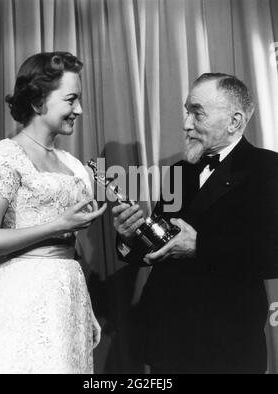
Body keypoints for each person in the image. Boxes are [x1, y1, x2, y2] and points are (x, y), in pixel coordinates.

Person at [112, 73, 278, 374]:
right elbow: (160, 246)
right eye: (187, 111)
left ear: (234, 122)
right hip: (169, 340)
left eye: (197, 113)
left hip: (228, 345)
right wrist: (129, 237)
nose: (186, 124)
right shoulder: (180, 171)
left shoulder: (269, 169)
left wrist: (201, 246)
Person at [0, 52, 107, 374]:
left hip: (68, 296)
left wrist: (84, 306)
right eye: (71, 99)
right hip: (22, 296)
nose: (79, 110)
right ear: (37, 102)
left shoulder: (74, 165)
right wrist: (58, 225)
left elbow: (69, 250)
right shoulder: (5, 157)